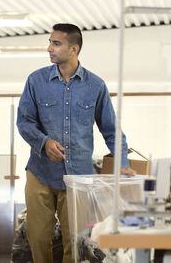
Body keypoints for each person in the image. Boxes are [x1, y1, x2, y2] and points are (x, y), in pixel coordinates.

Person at [16, 23, 136, 263]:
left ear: (74, 49)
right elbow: (24, 121)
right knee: (38, 237)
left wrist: (122, 163)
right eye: (50, 42)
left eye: (56, 43)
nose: (49, 48)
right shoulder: (36, 81)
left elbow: (112, 130)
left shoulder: (96, 86)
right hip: (40, 173)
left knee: (76, 241)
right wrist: (44, 142)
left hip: (79, 179)